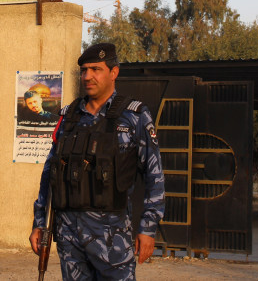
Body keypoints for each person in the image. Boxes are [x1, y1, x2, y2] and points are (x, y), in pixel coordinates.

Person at [29, 42, 165, 280]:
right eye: (84, 71)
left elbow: (155, 175)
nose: (87, 76)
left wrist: (148, 227)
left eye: (95, 69)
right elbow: (49, 172)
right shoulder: (68, 116)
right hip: (69, 236)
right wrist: (39, 222)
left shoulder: (134, 116)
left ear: (114, 73)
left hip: (111, 238)